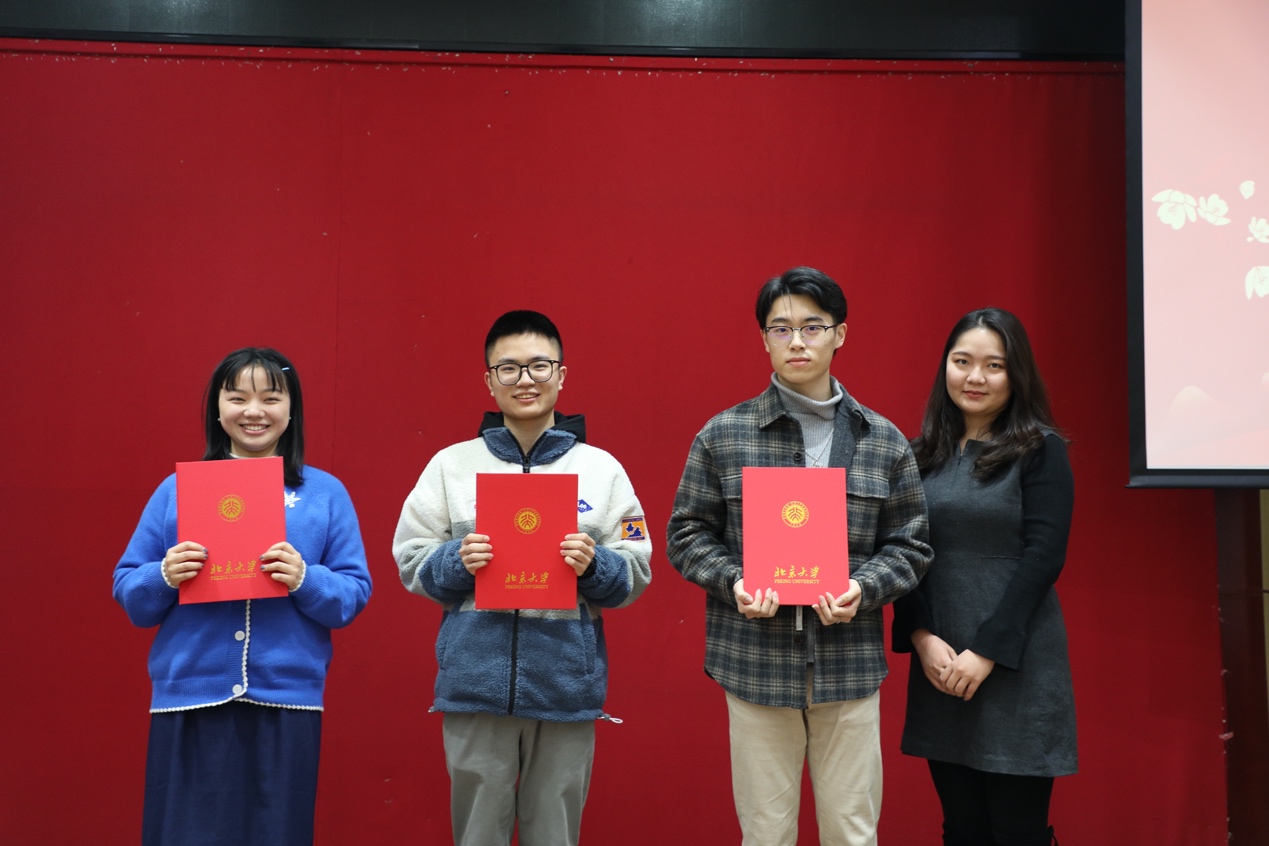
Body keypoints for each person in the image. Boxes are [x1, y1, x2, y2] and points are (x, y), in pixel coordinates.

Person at [666, 266, 933, 846]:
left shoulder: (883, 440)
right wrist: (734, 581)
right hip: (755, 665)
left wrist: (863, 588)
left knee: (852, 834)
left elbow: (910, 546)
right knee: (765, 835)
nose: (797, 341)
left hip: (849, 666)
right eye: (781, 328)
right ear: (763, 338)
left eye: (812, 327)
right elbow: (686, 534)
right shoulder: (723, 435)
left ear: (840, 334)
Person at [392, 310, 652, 846]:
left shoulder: (602, 470)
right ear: (489, 381)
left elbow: (636, 570)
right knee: (476, 836)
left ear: (562, 374)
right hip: (474, 685)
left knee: (555, 835)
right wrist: (457, 561)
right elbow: (411, 559)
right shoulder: (450, 466)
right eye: (508, 368)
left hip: (565, 688)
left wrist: (594, 565)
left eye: (539, 365)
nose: (525, 380)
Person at [113, 347, 373, 846]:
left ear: (292, 409)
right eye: (237, 398)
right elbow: (130, 593)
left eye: (271, 398)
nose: (254, 411)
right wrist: (164, 574)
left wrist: (305, 578)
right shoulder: (175, 490)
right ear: (217, 408)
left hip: (287, 702)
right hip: (188, 698)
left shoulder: (324, 493)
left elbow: (352, 595)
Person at [892, 308, 1076, 846]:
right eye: (962, 362)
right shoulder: (917, 455)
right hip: (942, 665)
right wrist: (922, 638)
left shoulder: (1040, 449)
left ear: (1017, 374)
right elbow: (900, 552)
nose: (975, 377)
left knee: (1018, 832)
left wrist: (987, 652)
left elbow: (1044, 557)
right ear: (945, 367)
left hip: (1015, 665)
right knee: (963, 829)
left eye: (994, 365)